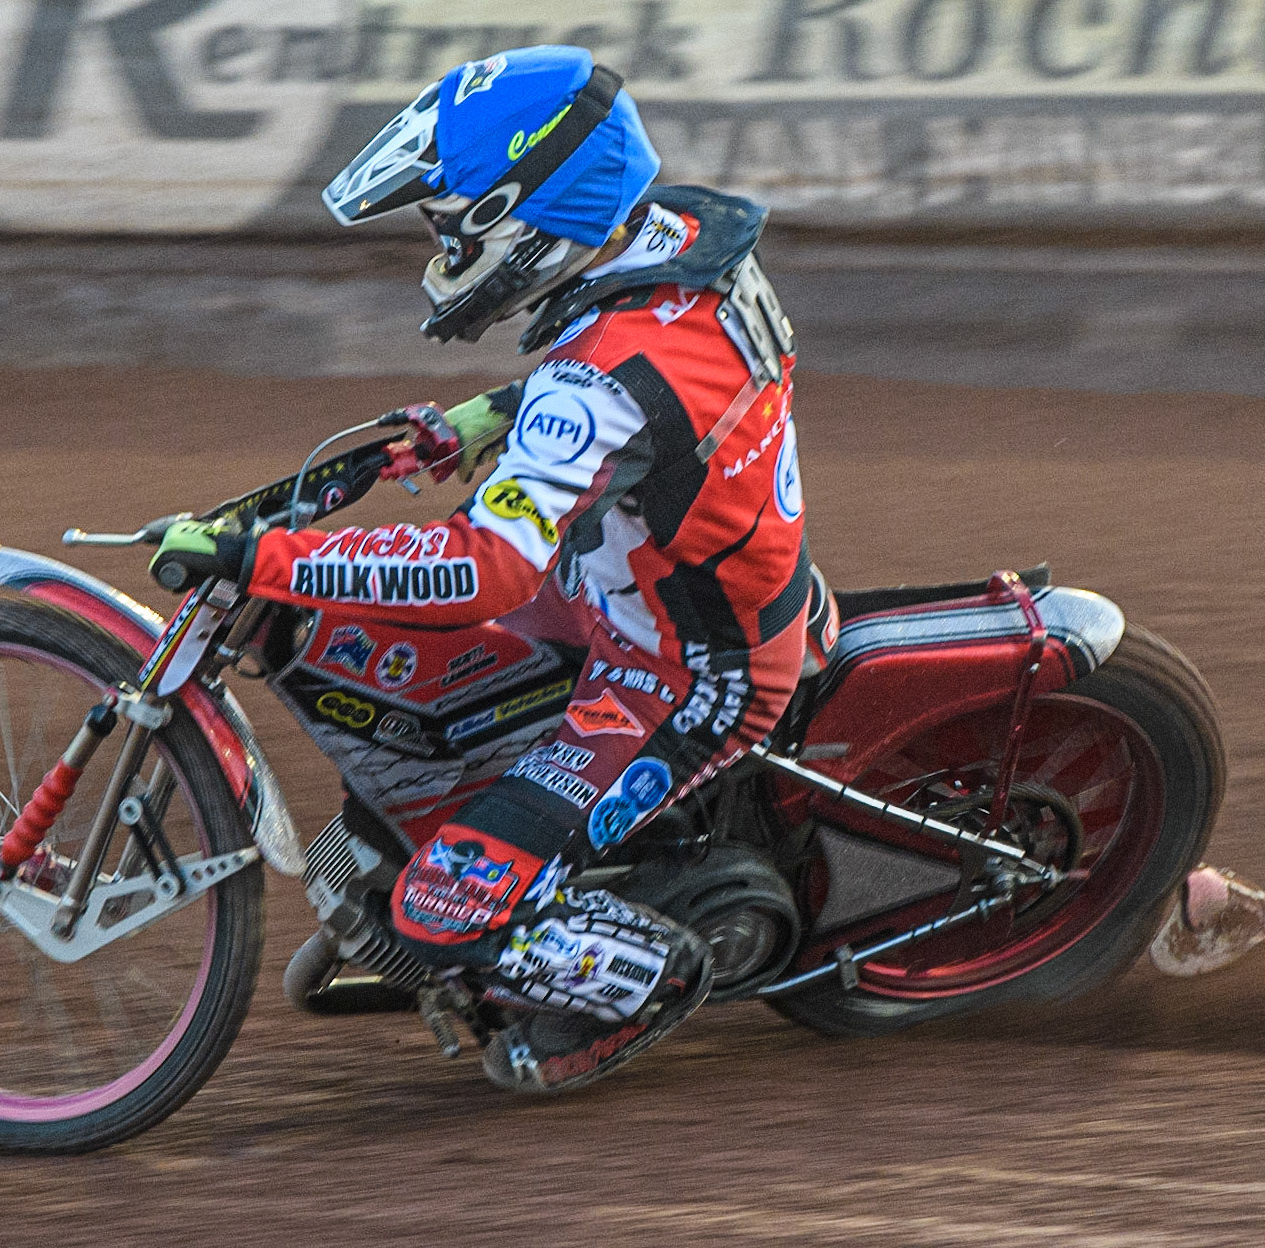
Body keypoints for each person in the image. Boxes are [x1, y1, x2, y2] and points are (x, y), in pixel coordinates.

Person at [150, 45, 807, 1093]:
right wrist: (482, 418)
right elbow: (654, 397)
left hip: (679, 675)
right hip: (640, 585)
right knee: (414, 699)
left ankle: (654, 974)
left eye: (452, 220)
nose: (442, 242)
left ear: (527, 211)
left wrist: (263, 558)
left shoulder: (598, 385)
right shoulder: (670, 244)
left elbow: (482, 568)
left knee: (441, 904)